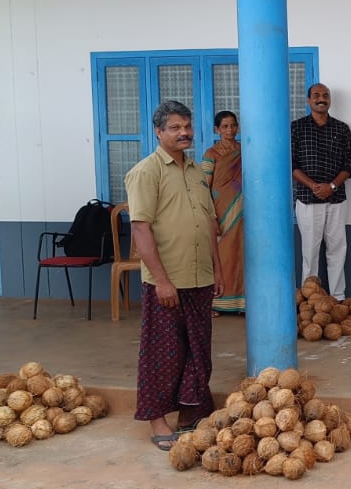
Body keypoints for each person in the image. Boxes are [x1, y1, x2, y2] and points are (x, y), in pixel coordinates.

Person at [125, 100, 223, 451]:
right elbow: (141, 229)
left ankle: (189, 415)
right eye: (175, 128)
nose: (184, 133)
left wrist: (218, 269)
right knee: (162, 354)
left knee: (199, 352)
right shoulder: (146, 172)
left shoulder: (198, 172)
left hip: (200, 277)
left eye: (187, 126)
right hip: (167, 280)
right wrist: (162, 281)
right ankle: (157, 420)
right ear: (159, 132)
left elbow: (210, 224)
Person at [291, 83, 351, 300]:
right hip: (308, 200)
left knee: (337, 250)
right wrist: (314, 186)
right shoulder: (296, 128)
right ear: (308, 100)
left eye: (325, 95)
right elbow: (291, 164)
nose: (321, 98)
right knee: (310, 253)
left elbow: (349, 165)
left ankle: (338, 297)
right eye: (316, 95)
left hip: (336, 199)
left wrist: (332, 186)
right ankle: (310, 301)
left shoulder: (342, 129)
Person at [201, 111, 244, 315]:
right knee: (220, 256)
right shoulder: (211, 154)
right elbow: (202, 187)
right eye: (225, 126)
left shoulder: (244, 151)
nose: (230, 130)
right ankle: (215, 303)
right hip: (219, 212)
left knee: (240, 254)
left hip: (242, 212)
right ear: (216, 129)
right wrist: (212, 217)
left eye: (233, 126)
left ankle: (241, 302)